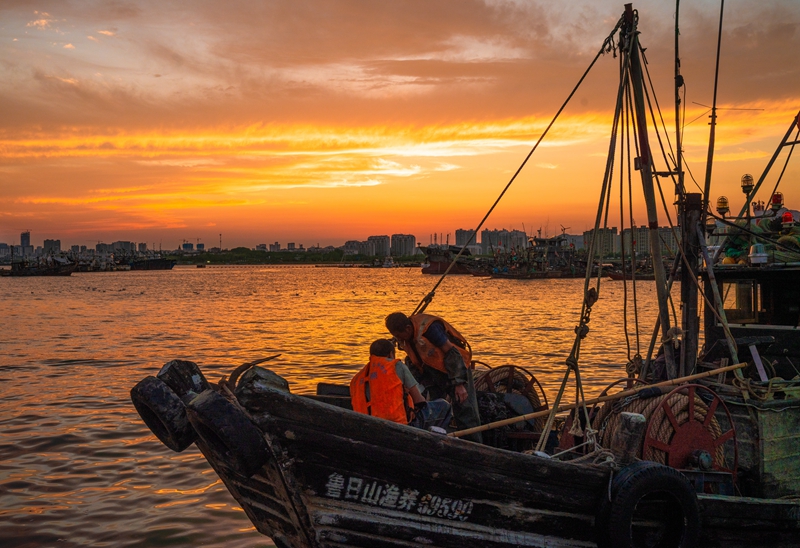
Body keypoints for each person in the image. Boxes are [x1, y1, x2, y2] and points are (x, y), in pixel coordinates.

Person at [385, 312, 483, 443]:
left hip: (456, 369)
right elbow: (414, 362)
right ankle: (438, 443)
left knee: (465, 410)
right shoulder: (406, 339)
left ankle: (474, 446)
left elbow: (451, 352)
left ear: (407, 329)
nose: (398, 339)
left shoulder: (430, 329)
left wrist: (459, 383)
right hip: (433, 375)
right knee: (437, 411)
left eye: (398, 335)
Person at [350, 339, 452, 431]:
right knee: (444, 405)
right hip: (400, 427)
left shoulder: (356, 378)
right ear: (391, 354)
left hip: (366, 428)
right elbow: (420, 402)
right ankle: (434, 441)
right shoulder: (396, 366)